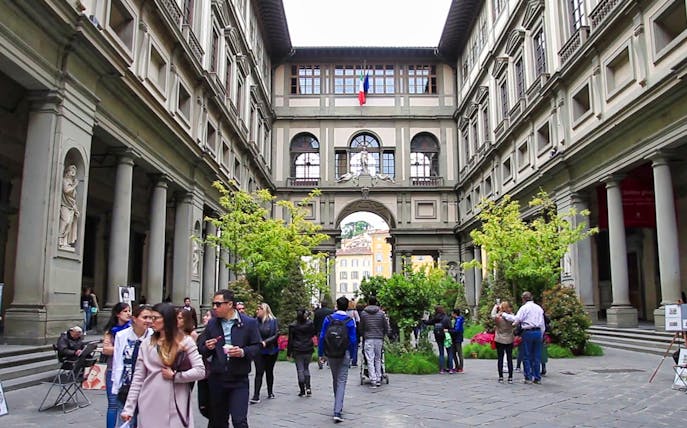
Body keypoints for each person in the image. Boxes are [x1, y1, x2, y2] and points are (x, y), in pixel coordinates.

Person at [121, 303, 205, 427]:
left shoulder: (186, 342)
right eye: (149, 318)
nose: (151, 321)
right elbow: (138, 378)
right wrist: (129, 408)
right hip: (150, 399)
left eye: (155, 318)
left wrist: (176, 376)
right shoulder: (147, 343)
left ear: (167, 319)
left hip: (177, 400)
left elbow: (200, 371)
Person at [197, 289, 261, 428]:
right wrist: (208, 347)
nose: (214, 307)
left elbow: (257, 346)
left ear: (230, 304)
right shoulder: (212, 324)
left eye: (218, 304)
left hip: (239, 379)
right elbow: (201, 349)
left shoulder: (249, 323)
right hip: (217, 379)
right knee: (218, 421)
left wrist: (242, 351)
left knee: (239, 421)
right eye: (213, 304)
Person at [111, 304, 153, 427]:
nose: (149, 321)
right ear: (134, 318)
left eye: (151, 318)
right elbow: (117, 360)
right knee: (126, 421)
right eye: (145, 317)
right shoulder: (122, 335)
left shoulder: (154, 337)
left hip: (147, 387)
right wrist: (115, 383)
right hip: (126, 385)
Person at [318, 296, 356, 423]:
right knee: (341, 381)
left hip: (331, 353)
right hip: (344, 353)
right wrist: (352, 355)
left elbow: (322, 336)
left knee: (335, 379)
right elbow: (353, 340)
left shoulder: (328, 319)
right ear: (347, 307)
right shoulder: (350, 320)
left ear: (336, 305)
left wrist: (321, 353)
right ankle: (337, 410)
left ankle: (337, 404)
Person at [501, 291, 545, 384]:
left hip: (528, 332)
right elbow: (542, 323)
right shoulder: (539, 308)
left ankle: (528, 377)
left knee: (527, 355)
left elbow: (516, 319)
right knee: (536, 355)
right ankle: (537, 377)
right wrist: (541, 334)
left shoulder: (524, 308)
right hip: (537, 331)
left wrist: (504, 315)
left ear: (523, 299)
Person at [102, 302, 132, 428]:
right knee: (113, 404)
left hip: (128, 370)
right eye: (125, 311)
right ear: (117, 314)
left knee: (127, 405)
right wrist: (122, 348)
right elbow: (106, 349)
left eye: (129, 311)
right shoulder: (111, 331)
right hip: (112, 369)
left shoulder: (132, 330)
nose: (129, 314)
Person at [250, 303, 279, 403]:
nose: (257, 311)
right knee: (259, 372)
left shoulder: (273, 321)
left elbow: (276, 334)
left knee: (269, 371)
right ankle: (256, 395)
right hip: (259, 350)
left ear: (265, 310)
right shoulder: (255, 322)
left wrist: (266, 342)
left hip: (271, 350)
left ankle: (270, 391)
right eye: (257, 309)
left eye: (260, 309)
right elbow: (253, 333)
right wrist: (259, 342)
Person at [359, 296, 389, 388]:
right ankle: (379, 377)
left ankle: (373, 379)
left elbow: (361, 327)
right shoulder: (381, 313)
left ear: (368, 303)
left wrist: (362, 334)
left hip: (368, 338)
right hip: (379, 338)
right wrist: (384, 333)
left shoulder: (364, 313)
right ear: (376, 303)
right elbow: (385, 326)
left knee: (369, 359)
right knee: (378, 358)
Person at [287, 308, 316, 397]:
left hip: (297, 349)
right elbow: (313, 333)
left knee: (300, 369)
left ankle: (302, 389)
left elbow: (291, 340)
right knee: (306, 368)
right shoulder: (310, 324)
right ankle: (308, 388)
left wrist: (289, 352)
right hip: (308, 348)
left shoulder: (293, 325)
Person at [491, 301, 515, 383]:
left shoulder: (498, 318)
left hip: (499, 339)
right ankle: (510, 377)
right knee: (509, 358)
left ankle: (501, 377)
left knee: (500, 358)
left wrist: (495, 306)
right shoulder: (511, 317)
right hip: (509, 339)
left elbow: (492, 315)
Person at [425, 305, 451, 373]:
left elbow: (428, 322)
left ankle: (441, 369)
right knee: (449, 352)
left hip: (438, 335)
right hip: (446, 335)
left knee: (441, 352)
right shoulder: (446, 317)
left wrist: (424, 319)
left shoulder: (436, 318)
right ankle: (450, 368)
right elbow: (450, 327)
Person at [58, 164, 79, 248]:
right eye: (71, 171)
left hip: (70, 206)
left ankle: (65, 241)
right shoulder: (65, 181)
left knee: (69, 224)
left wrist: (75, 208)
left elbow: (73, 199)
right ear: (67, 172)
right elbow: (66, 191)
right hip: (64, 205)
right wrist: (74, 185)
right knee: (65, 222)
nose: (73, 172)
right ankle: (59, 239)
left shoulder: (71, 183)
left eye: (74, 171)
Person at [313, 300, 333, 369]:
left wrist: (314, 332)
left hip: (319, 331)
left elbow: (315, 323)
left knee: (320, 346)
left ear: (321, 305)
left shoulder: (317, 312)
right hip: (328, 331)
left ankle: (320, 361)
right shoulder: (331, 312)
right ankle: (329, 362)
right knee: (329, 346)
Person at [449, 308, 465, 374]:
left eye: (452, 313)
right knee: (454, 353)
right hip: (455, 338)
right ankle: (457, 366)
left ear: (455, 313)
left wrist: (449, 330)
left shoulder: (458, 320)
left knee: (459, 352)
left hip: (457, 338)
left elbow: (457, 330)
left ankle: (460, 367)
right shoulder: (456, 320)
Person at [346, 299, 361, 366]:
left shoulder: (345, 311)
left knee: (347, 345)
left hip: (345, 328)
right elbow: (358, 320)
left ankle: (347, 360)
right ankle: (354, 361)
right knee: (354, 345)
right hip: (353, 328)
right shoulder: (354, 312)